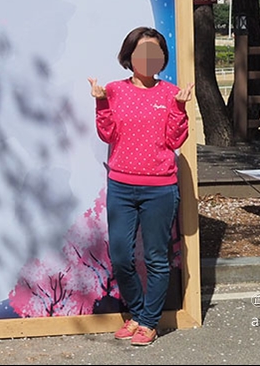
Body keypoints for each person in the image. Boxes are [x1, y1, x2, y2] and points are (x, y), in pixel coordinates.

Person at [87, 26, 194, 347]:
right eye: (142, 53)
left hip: (160, 189)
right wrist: (101, 103)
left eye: (155, 53)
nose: (148, 60)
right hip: (121, 184)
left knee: (157, 259)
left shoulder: (170, 93)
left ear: (162, 59)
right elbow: (107, 135)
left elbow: (176, 140)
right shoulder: (115, 90)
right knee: (121, 255)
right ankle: (135, 313)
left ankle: (149, 321)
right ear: (129, 56)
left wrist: (179, 107)